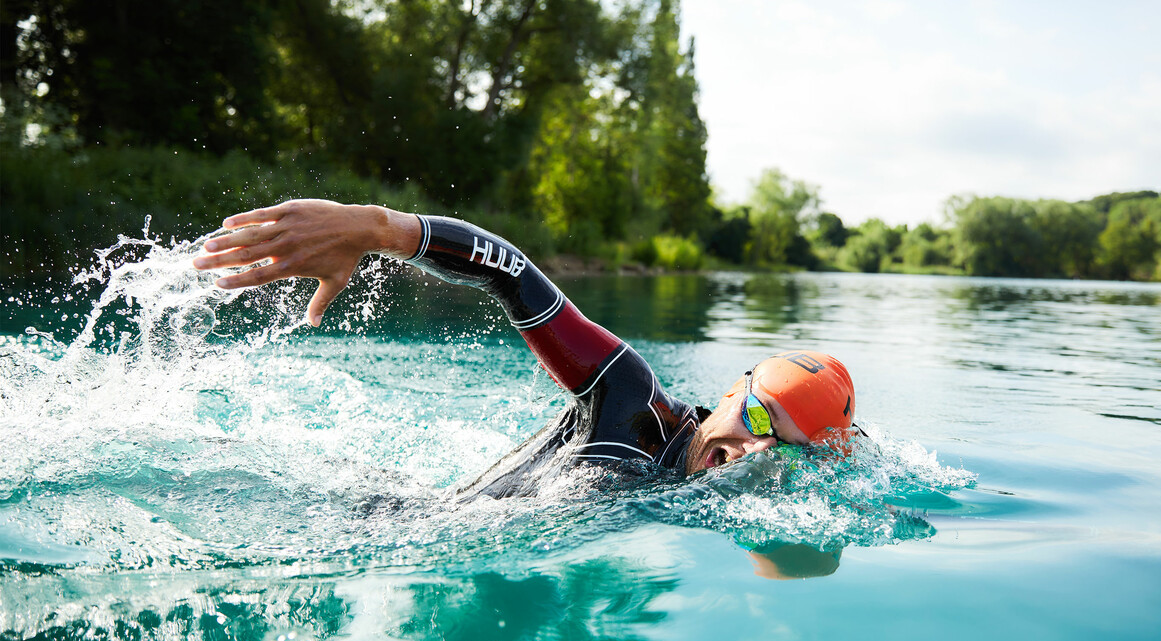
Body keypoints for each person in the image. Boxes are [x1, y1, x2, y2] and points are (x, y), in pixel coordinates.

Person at [192, 199, 859, 498]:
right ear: (731, 394)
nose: (753, 451)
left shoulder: (715, 492)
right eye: (761, 419)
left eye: (784, 447)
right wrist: (372, 227)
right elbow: (511, 272)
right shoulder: (629, 397)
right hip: (381, 523)